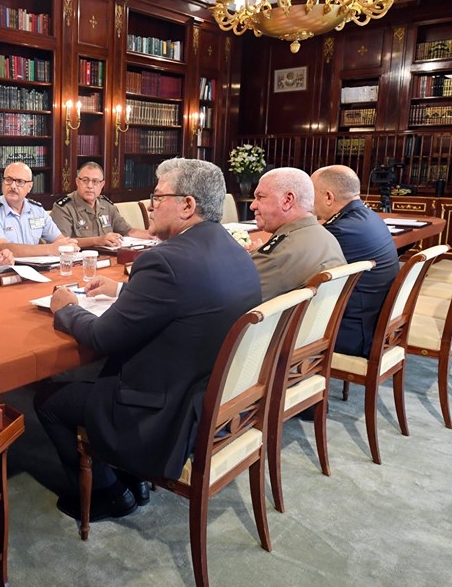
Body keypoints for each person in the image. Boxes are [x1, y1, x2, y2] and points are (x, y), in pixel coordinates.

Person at [34, 158, 262, 522]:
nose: (150, 204)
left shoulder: (165, 261)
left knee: (49, 398)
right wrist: (125, 290)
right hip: (205, 394)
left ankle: (109, 492)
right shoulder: (233, 249)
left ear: (188, 205)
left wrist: (66, 308)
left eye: (158, 196)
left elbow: (101, 337)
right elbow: (188, 300)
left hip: (159, 412)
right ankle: (133, 478)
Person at [312, 164, 400, 357]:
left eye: (312, 193)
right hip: (375, 323)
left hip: (354, 333)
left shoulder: (339, 230)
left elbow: (303, 276)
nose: (310, 201)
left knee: (273, 333)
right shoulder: (369, 217)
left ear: (328, 197)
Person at [250, 167, 345, 301]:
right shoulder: (328, 238)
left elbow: (234, 302)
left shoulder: (275, 257)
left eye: (260, 197)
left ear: (287, 200)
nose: (253, 205)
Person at [0, 161, 78, 256]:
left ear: (29, 187)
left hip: (36, 266)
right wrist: (50, 249)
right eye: (8, 180)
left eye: (19, 181)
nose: (13, 186)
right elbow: (3, 247)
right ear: (3, 183)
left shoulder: (37, 210)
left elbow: (59, 239)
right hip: (5, 269)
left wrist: (69, 246)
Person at [50, 161, 151, 248]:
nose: (90, 186)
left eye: (95, 182)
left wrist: (153, 235)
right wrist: (98, 240)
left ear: (102, 185)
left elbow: (128, 231)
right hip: (79, 260)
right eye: (85, 180)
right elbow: (62, 243)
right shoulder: (64, 207)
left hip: (109, 258)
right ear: (77, 182)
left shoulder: (107, 205)